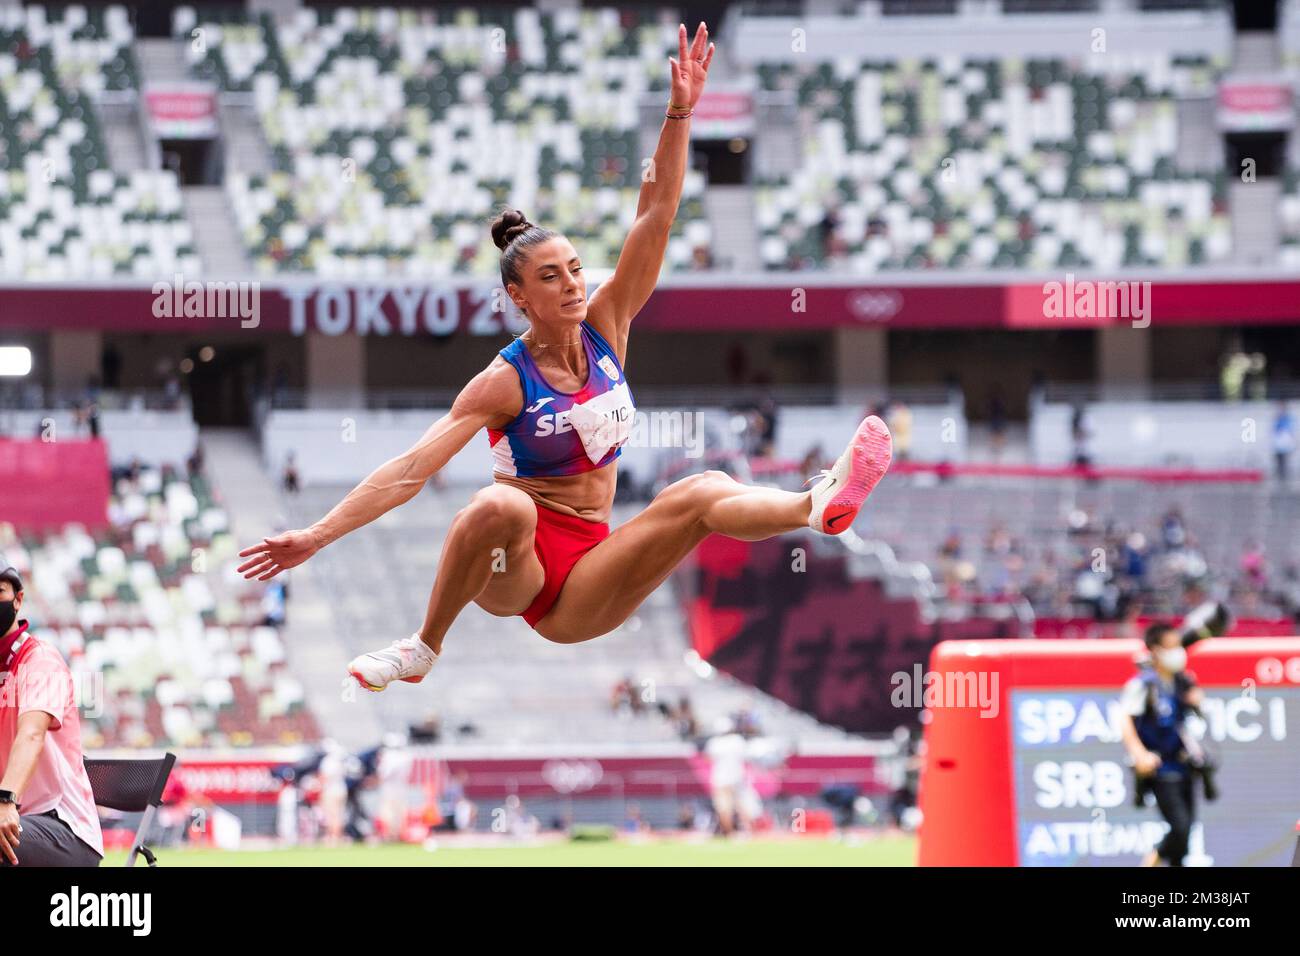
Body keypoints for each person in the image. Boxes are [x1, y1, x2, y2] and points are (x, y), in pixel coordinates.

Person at [237, 23, 894, 692]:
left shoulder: (608, 324)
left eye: (577, 269)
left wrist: (680, 113)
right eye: (552, 276)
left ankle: (815, 505)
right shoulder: (503, 381)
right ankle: (422, 646)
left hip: (591, 575)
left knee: (699, 490)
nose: (574, 283)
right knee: (506, 506)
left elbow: (657, 212)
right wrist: (316, 536)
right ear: (518, 296)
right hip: (517, 571)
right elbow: (410, 471)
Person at [0, 565, 104, 866]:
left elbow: (31, 734)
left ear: (18, 600)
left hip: (66, 829)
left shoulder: (40, 660)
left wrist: (6, 799)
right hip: (20, 823)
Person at [1119, 622, 1204, 867]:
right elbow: (1124, 718)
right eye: (1171, 647)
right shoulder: (1144, 684)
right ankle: (1152, 861)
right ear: (1156, 650)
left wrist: (1195, 699)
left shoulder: (1180, 682)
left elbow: (1194, 711)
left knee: (1186, 836)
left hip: (1185, 765)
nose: (1178, 652)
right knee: (1179, 826)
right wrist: (1139, 754)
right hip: (1161, 767)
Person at [1274, 403, 1296, 482]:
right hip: (1278, 444)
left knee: (1284, 461)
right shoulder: (1277, 419)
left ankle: (1284, 477)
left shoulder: (1287, 419)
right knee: (1279, 461)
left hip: (1285, 444)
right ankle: (1281, 476)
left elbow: (1289, 431)